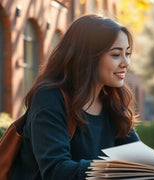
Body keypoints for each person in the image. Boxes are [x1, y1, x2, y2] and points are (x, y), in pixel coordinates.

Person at [12, 14, 139, 179]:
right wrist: (115, 169)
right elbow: (56, 170)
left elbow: (137, 156)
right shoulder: (49, 98)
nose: (126, 63)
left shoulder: (112, 101)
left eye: (127, 54)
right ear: (88, 57)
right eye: (116, 55)